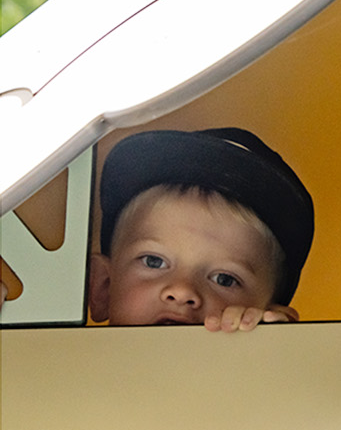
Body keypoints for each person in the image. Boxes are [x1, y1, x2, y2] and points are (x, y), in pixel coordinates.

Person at [88, 127, 314, 331]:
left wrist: (269, 355)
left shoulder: (263, 372)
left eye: (224, 279)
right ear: (103, 287)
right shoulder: (61, 369)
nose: (183, 291)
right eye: (153, 261)